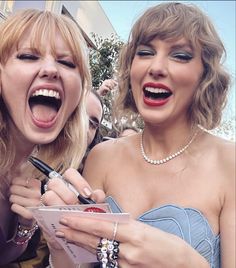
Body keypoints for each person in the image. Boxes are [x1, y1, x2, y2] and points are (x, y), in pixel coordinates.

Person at [41, 2, 235, 268]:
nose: (156, 67)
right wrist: (61, 243)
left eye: (180, 56)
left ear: (206, 75)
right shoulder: (102, 156)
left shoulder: (230, 163)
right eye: (145, 52)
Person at [0, 8, 91, 266]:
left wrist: (26, 225)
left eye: (67, 62)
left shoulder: (37, 174)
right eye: (29, 56)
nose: (51, 70)